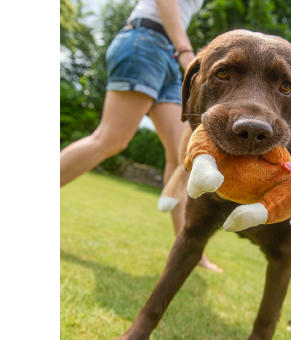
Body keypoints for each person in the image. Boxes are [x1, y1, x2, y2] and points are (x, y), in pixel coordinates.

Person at [60, 0, 222, 272]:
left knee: (180, 156)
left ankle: (190, 251)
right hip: (146, 42)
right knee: (111, 139)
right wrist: (186, 51)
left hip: (169, 55)